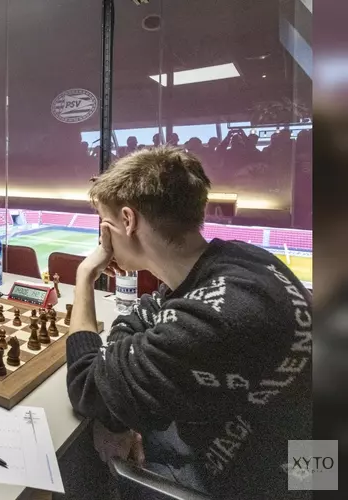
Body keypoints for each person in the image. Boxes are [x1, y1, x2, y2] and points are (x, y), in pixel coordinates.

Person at [62, 146, 311, 498]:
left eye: (104, 225)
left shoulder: (212, 319)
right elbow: (144, 313)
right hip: (291, 455)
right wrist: (123, 396)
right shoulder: (243, 260)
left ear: (128, 221)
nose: (103, 240)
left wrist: (85, 276)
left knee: (78, 457)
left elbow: (87, 384)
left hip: (272, 483)